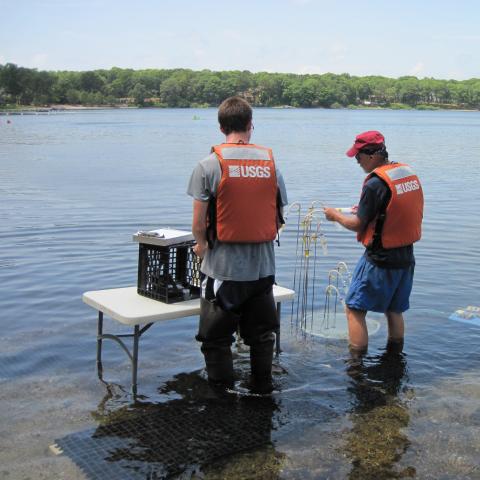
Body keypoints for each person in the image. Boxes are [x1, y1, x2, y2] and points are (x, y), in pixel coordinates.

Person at [187, 96, 288, 393]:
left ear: (221, 127)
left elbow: (198, 223)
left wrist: (202, 245)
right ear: (250, 125)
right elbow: (278, 218)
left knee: (216, 340)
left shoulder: (208, 166)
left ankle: (221, 401)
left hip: (223, 273)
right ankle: (262, 390)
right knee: (261, 336)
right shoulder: (271, 166)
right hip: (262, 272)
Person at [323, 131, 423, 354]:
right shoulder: (406, 173)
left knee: (354, 308)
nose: (357, 162)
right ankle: (395, 357)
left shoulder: (375, 184)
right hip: (406, 256)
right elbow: (394, 209)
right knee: (394, 309)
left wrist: (335, 216)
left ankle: (356, 366)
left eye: (358, 157)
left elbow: (358, 224)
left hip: (380, 259)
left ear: (370, 155)